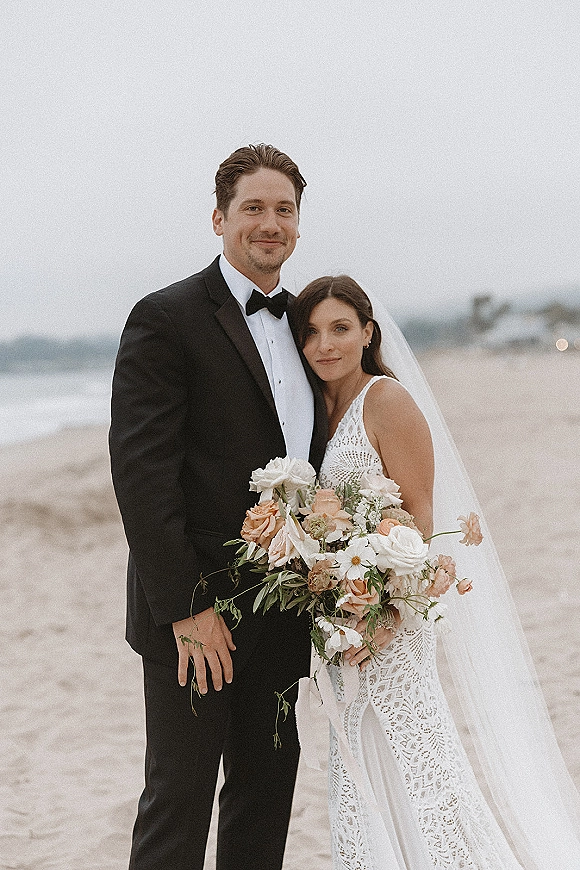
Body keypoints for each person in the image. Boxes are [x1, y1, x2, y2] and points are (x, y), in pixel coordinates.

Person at [293, 275, 580, 869]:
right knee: (357, 774)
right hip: (342, 629)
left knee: (422, 769)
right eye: (312, 332)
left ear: (368, 332)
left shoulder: (386, 400)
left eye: (340, 328)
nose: (325, 344)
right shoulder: (316, 410)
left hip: (389, 626)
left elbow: (418, 524)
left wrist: (381, 615)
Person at [109, 144, 327, 870]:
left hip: (283, 608)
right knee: (179, 802)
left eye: (284, 210)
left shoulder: (308, 326)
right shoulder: (165, 317)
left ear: (298, 224)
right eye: (254, 209)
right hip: (197, 615)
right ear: (219, 219)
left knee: (264, 802)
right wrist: (185, 609)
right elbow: (143, 479)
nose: (271, 223)